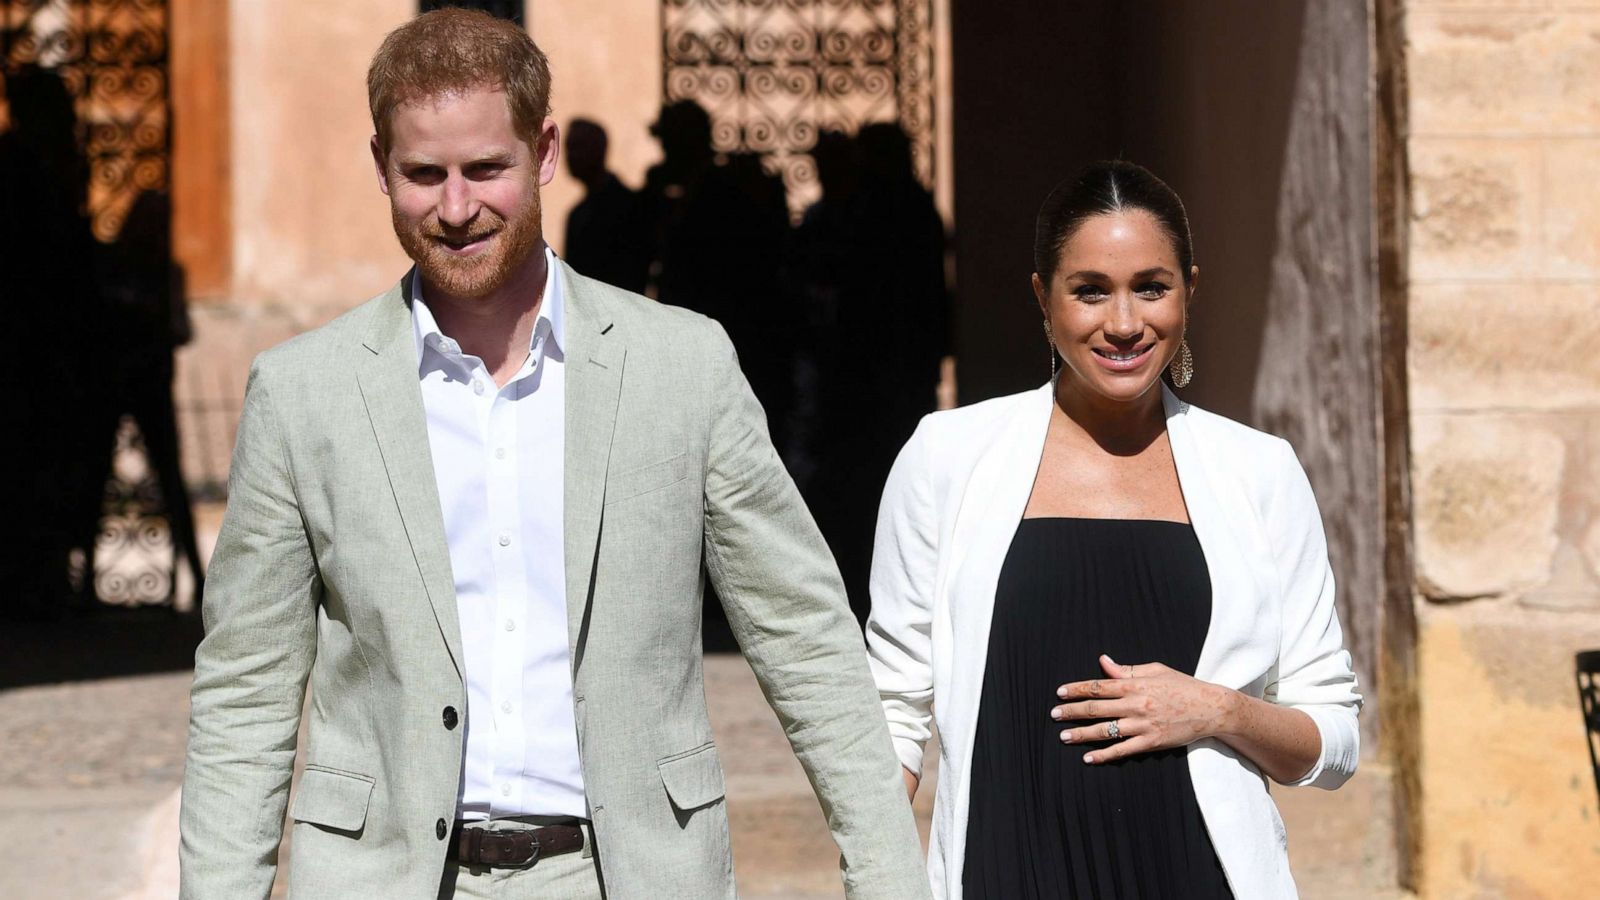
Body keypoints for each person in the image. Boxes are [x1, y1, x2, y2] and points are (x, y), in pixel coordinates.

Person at [179, 10, 930, 899]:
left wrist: (889, 874)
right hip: (383, 877)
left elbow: (804, 634)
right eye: (424, 174)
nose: (456, 209)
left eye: (486, 169)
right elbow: (245, 691)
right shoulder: (304, 393)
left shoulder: (680, 366)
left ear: (544, 153)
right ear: (380, 166)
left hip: (632, 874)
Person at [866, 160, 1361, 899]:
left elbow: (1333, 740)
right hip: (1007, 874)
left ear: (1190, 290)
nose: (1125, 323)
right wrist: (872, 872)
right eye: (1090, 290)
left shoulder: (1260, 471)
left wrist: (1217, 708)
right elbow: (893, 706)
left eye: (1152, 288)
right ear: (1043, 297)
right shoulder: (947, 457)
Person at [562, 118, 648, 294]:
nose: (571, 156)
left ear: (598, 150)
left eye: (578, 147)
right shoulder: (577, 213)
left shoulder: (628, 206)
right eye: (569, 148)